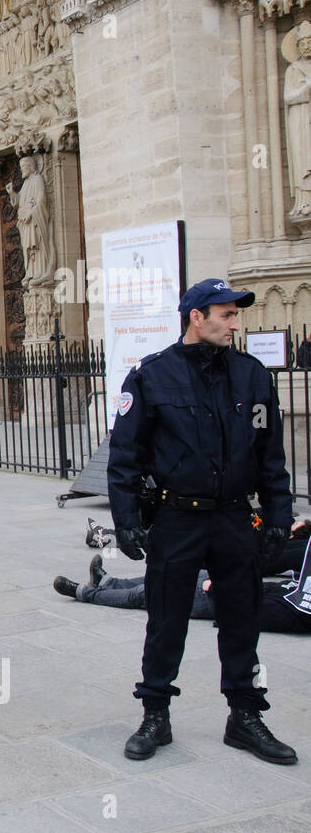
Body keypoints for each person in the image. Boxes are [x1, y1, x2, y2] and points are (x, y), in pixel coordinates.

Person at [107, 277, 298, 765]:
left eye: (236, 315)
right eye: (227, 315)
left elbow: (270, 453)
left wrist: (278, 515)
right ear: (197, 316)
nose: (235, 324)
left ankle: (245, 716)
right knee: (166, 621)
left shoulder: (251, 375)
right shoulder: (153, 376)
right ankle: (155, 715)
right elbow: (126, 455)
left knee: (242, 620)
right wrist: (127, 518)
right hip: (177, 518)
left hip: (236, 519)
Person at [56, 554, 311, 634]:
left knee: (145, 595)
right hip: (227, 584)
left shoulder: (299, 612)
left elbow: (252, 613)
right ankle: (108, 581)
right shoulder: (300, 589)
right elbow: (266, 587)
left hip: (216, 599)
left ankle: (84, 593)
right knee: (158, 577)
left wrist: (220, 591)